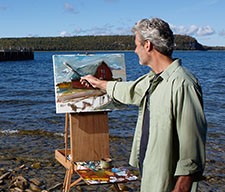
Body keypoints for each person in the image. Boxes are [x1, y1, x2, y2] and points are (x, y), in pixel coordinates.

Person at [80, 18, 207, 192]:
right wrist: (99, 84)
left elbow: (192, 144)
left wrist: (182, 188)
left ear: (147, 45)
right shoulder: (152, 79)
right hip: (150, 171)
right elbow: (129, 90)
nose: (134, 50)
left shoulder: (183, 83)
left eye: (136, 45)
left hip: (167, 180)